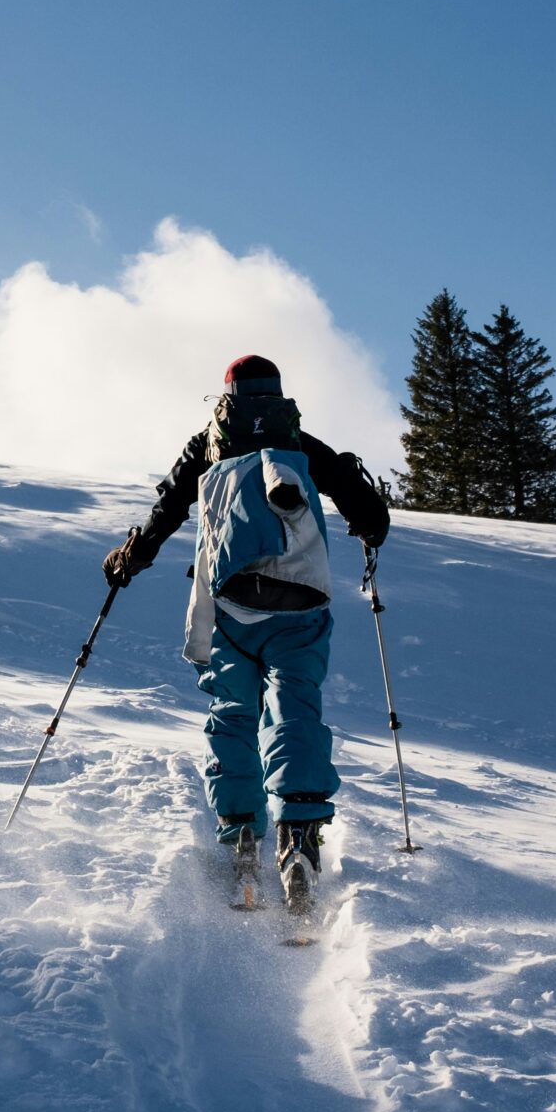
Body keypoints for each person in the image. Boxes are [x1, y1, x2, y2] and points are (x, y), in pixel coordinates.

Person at [102, 354, 390, 910]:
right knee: (295, 707)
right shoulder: (302, 444)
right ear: (278, 394)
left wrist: (126, 560)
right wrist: (368, 528)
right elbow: (367, 511)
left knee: (234, 711)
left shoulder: (206, 446)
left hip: (229, 604)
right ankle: (299, 835)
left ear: (226, 395)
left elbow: (165, 513)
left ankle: (241, 832)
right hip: (301, 602)